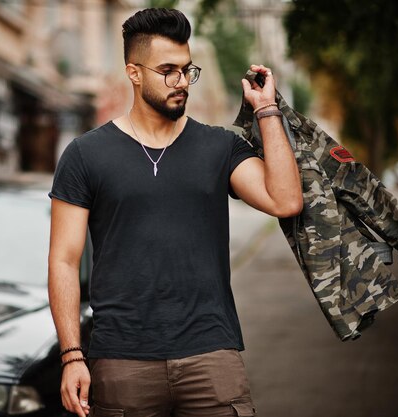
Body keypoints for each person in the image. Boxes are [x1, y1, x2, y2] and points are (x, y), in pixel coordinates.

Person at [48, 8, 302, 417]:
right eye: (168, 70)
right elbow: (63, 260)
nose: (181, 81)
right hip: (122, 361)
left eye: (187, 70)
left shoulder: (219, 147)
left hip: (211, 355)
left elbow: (285, 200)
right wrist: (72, 355)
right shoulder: (85, 155)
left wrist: (266, 110)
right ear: (134, 72)